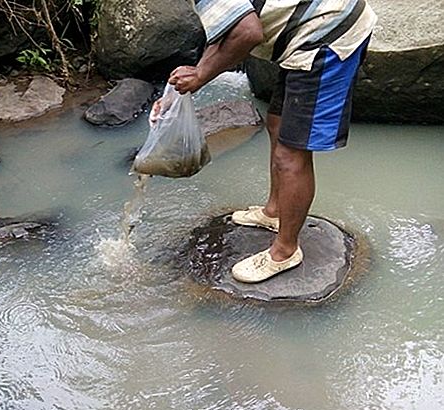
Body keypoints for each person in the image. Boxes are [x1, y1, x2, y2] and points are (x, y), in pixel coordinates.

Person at [152, 0, 377, 283]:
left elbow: (248, 32)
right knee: (277, 123)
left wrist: (200, 77)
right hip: (307, 33)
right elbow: (226, 29)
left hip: (327, 34)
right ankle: (275, 212)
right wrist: (190, 82)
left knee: (290, 153)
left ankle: (285, 251)